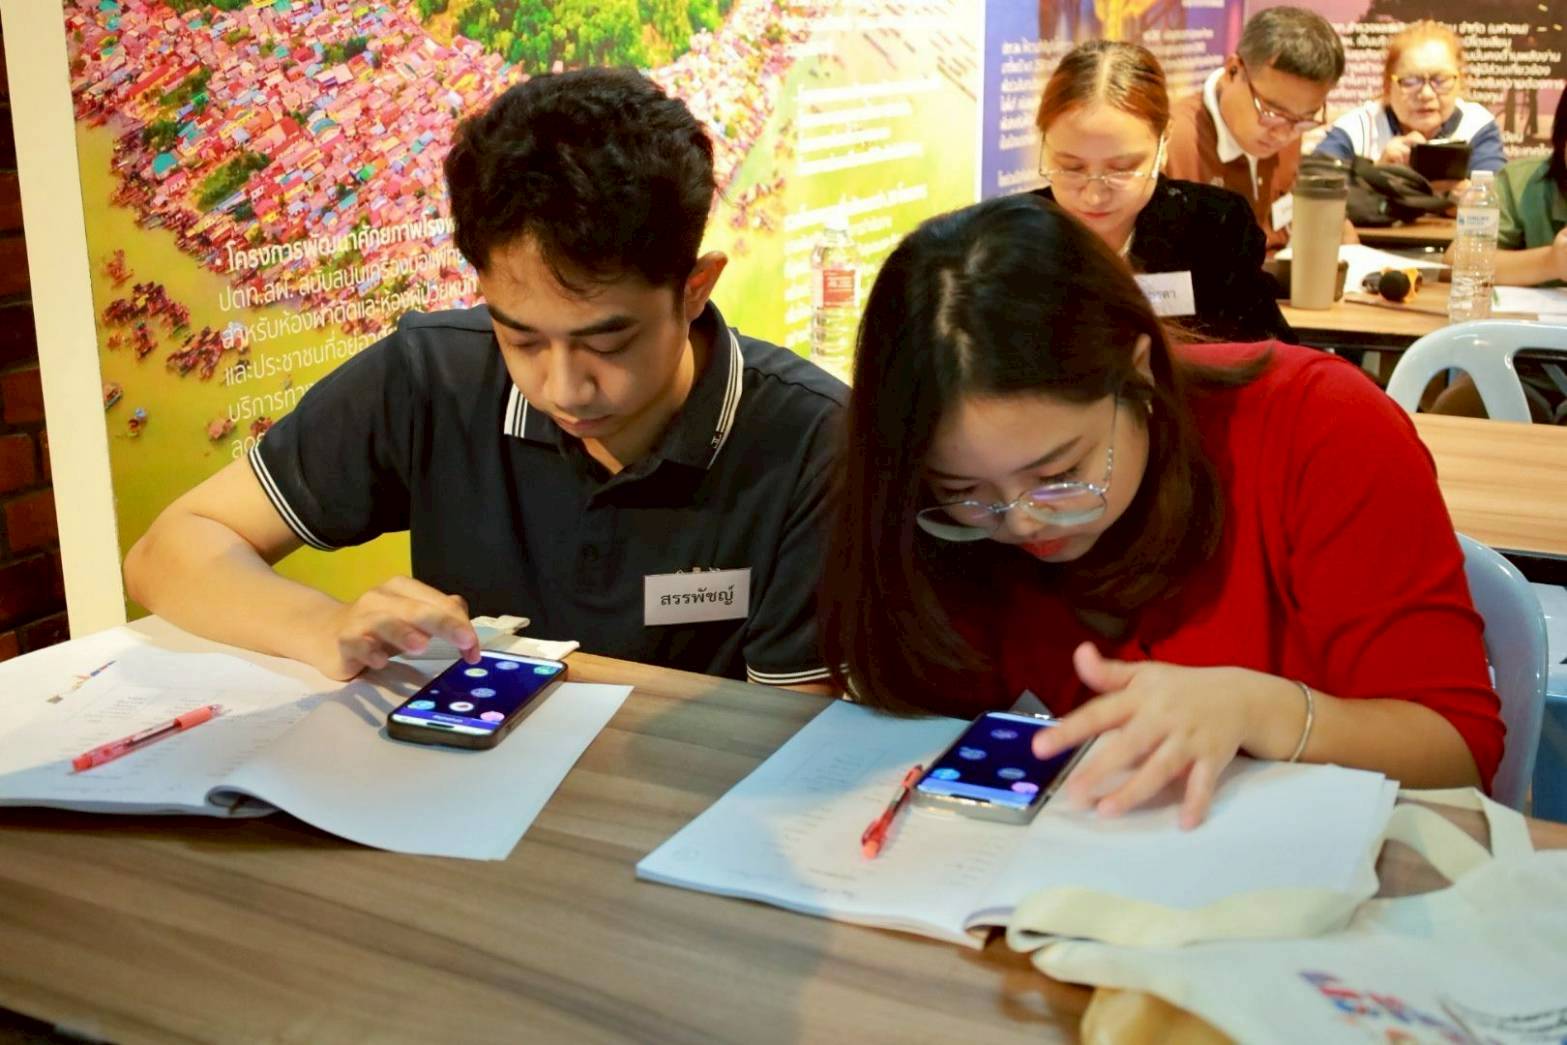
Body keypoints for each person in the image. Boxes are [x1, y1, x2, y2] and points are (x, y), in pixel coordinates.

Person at [125, 69, 845, 690]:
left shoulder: (816, 443)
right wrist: (323, 624)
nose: (564, 388)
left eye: (607, 340)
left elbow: (792, 732)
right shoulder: (433, 376)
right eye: (521, 338)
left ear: (694, 289)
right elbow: (169, 550)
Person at [819, 194, 1501, 827]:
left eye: (1058, 474)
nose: (1020, 521)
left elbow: (1457, 757)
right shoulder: (916, 515)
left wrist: (1261, 709)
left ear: (1137, 370)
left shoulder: (1319, 427)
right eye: (963, 491)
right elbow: (911, 722)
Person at [1033, 40, 1293, 342]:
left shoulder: (1214, 228)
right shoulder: (1010, 236)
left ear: (1164, 142)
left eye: (1122, 169)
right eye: (1071, 167)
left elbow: (1271, 352)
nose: (1094, 195)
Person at [1429, 89, 1567, 420]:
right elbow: (1459, 257)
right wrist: (1551, 262)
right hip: (1525, 363)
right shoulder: (1525, 183)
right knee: (1464, 406)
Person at [1165, 6, 1346, 252]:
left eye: (1305, 118)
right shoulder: (1171, 142)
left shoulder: (1290, 126)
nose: (1283, 134)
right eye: (1272, 113)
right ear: (1233, 71)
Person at [1313, 21, 1505, 178]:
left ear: (1461, 81)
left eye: (1440, 80)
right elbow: (1314, 184)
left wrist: (1454, 191)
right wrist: (1376, 174)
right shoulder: (1359, 127)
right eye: (1410, 81)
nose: (1426, 94)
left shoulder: (1476, 125)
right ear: (1387, 86)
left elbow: (1496, 197)